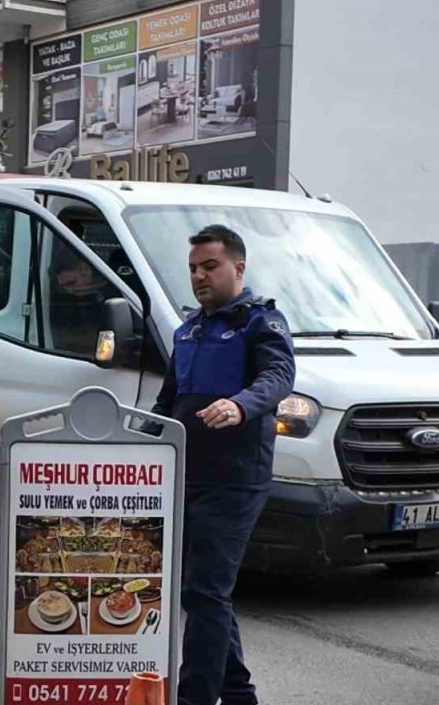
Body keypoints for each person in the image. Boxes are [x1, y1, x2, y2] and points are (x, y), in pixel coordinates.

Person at [152, 224, 295, 705]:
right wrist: (131, 441)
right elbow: (168, 402)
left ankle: (195, 698)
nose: (198, 276)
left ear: (238, 267)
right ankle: (238, 694)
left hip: (235, 481)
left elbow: (278, 377)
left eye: (209, 266)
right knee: (205, 592)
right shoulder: (187, 329)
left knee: (205, 592)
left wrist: (241, 405)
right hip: (186, 477)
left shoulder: (261, 323)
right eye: (193, 268)